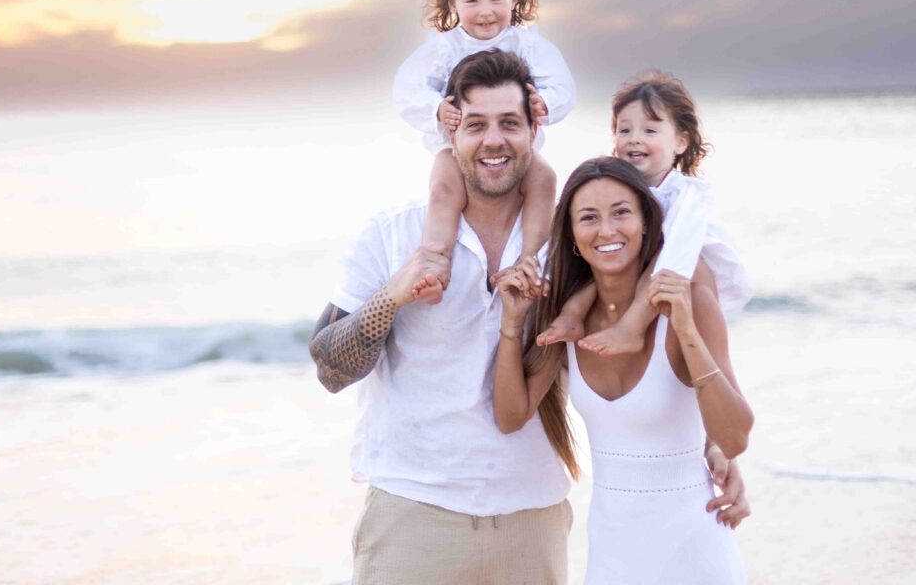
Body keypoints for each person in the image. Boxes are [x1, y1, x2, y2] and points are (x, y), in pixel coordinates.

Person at [310, 51, 746, 585]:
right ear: (451, 131)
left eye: (509, 123)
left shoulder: (573, 238)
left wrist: (714, 448)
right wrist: (391, 298)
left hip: (532, 520)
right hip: (413, 513)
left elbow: (661, 331)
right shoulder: (395, 236)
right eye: (476, 124)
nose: (493, 140)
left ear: (535, 128)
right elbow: (330, 370)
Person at [493, 156, 754, 584]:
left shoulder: (689, 302)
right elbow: (510, 415)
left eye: (621, 213)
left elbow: (734, 437)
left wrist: (686, 329)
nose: (607, 231)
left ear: (647, 223)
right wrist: (512, 324)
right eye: (589, 217)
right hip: (612, 560)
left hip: (697, 557)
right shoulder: (566, 320)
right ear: (573, 236)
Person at [392, 0, 576, 304]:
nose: (486, 11)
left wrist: (546, 102)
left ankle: (531, 264)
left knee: (545, 178)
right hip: (456, 150)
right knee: (444, 188)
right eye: (472, 0)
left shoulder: (527, 44)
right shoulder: (445, 48)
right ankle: (435, 262)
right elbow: (406, 88)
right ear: (453, 2)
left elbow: (563, 84)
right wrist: (435, 108)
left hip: (516, 153)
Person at [539, 70, 751, 355]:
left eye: (650, 131)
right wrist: (542, 271)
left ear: (680, 142)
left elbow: (678, 250)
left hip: (680, 265)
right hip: (637, 261)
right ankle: (572, 315)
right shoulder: (615, 187)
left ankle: (631, 329)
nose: (634, 139)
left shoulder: (687, 194)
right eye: (624, 130)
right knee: (599, 252)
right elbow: (565, 223)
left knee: (653, 258)